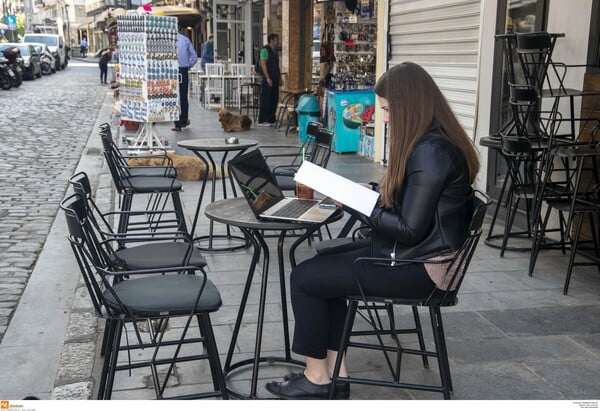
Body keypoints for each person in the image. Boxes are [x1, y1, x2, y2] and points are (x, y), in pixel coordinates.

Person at [265, 62, 480, 400]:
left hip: (422, 268)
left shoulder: (431, 153)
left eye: (388, 109)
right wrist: (370, 193)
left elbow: (408, 229)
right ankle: (334, 374)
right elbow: (416, 210)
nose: (385, 118)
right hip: (418, 256)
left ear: (410, 106)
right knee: (326, 266)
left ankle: (317, 378)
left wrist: (353, 201)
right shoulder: (434, 144)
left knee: (305, 277)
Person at [172, 31, 198, 132]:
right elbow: (194, 57)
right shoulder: (185, 39)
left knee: (174, 97)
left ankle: (177, 124)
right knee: (183, 96)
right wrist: (188, 65)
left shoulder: (167, 40)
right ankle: (184, 120)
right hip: (183, 70)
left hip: (171, 70)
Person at [257, 33, 280, 126]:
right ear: (271, 40)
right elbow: (263, 64)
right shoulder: (265, 50)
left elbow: (276, 66)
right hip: (268, 79)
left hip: (275, 79)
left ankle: (271, 118)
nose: (277, 41)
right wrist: (267, 78)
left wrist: (280, 78)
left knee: (274, 99)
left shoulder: (274, 51)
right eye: (276, 40)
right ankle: (262, 120)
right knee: (266, 99)